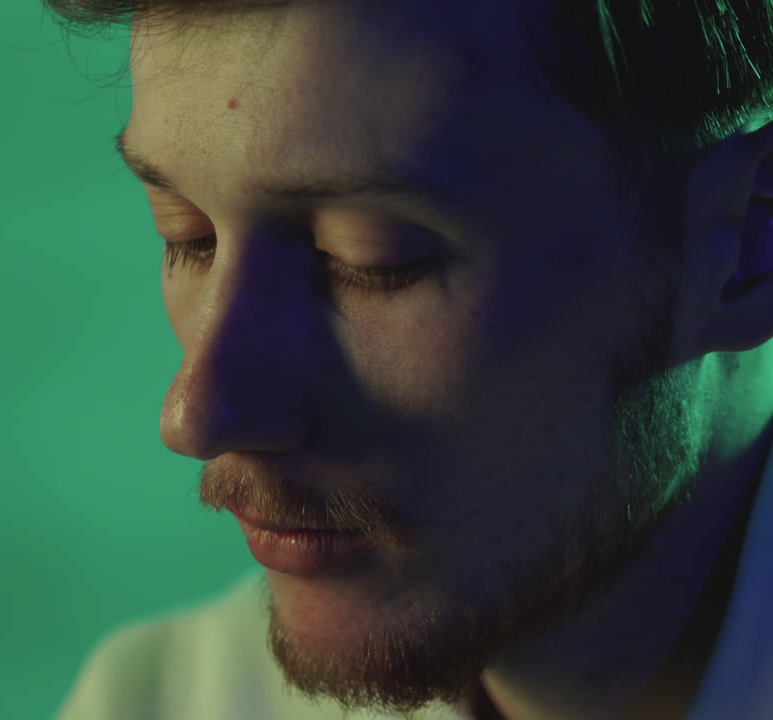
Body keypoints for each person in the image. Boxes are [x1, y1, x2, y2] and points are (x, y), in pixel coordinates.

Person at [50, 1, 773, 718]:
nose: (196, 415)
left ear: (749, 243)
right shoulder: (153, 701)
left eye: (370, 256)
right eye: (186, 235)